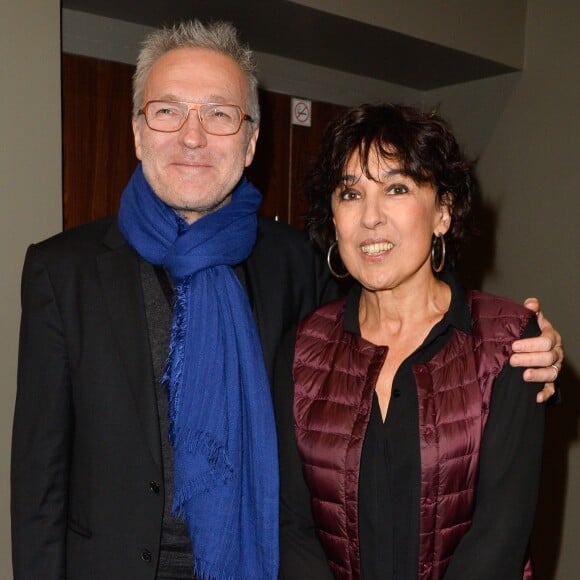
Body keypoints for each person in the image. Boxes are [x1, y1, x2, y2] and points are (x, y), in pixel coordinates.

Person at [10, 21, 561, 580]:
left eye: (220, 113)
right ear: (136, 131)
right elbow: (39, 482)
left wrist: (535, 351)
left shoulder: (296, 264)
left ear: (250, 141)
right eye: (168, 110)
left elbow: (398, 329)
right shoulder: (63, 271)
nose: (193, 135)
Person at [274, 103, 555, 579]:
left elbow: (499, 539)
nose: (370, 218)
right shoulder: (301, 350)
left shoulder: (508, 341)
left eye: (397, 188)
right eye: (350, 193)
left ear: (443, 212)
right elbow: (291, 526)